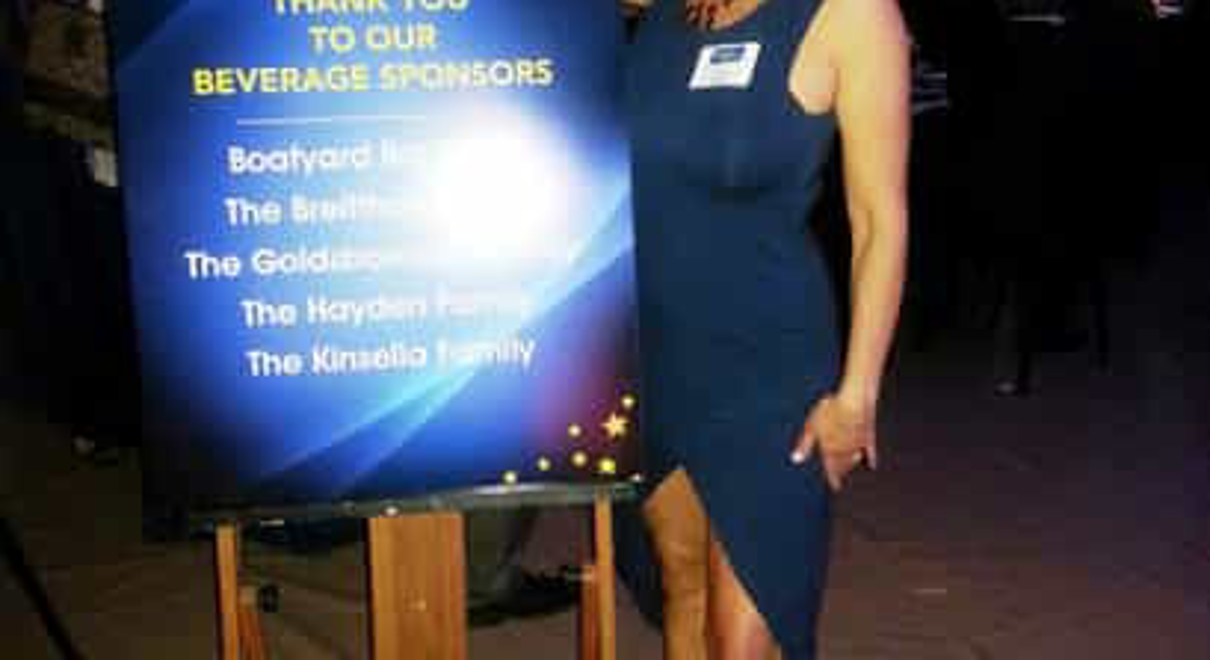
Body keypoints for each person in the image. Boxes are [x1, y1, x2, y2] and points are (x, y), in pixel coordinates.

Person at [624, 0, 909, 658]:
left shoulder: (854, 14)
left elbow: (879, 224)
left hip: (769, 364)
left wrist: (858, 395)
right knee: (682, 582)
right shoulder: (667, 12)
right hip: (658, 353)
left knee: (745, 635)